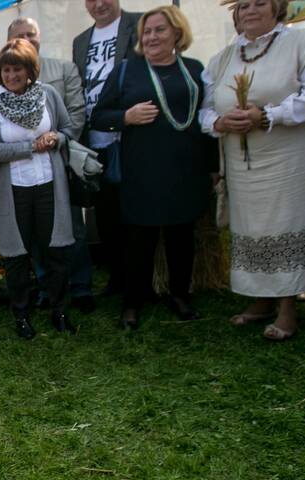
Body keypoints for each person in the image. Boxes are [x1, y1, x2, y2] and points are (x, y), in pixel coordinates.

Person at [201, 0, 305, 340]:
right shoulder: (222, 58)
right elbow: (206, 109)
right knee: (252, 226)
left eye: (260, 3)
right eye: (243, 6)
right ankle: (261, 299)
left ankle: (287, 307)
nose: (250, 11)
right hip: (242, 161)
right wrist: (219, 120)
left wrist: (269, 115)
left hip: (289, 158)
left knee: (285, 222)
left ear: (277, 9)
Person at [92, 6, 215, 329]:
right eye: (146, 31)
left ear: (177, 33)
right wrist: (126, 117)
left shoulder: (194, 69)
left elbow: (206, 121)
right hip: (143, 172)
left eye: (159, 30)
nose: (151, 37)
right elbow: (99, 116)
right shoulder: (126, 70)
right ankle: (132, 303)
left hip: (185, 169)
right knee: (139, 239)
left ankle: (180, 296)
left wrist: (213, 166)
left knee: (181, 235)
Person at [0, 40, 78, 339]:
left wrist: (56, 138)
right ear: (0, 73)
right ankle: (21, 315)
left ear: (30, 70)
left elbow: (69, 129)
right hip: (15, 190)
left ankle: (60, 310)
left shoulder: (47, 95)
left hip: (50, 184)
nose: (11, 76)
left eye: (17, 68)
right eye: (6, 70)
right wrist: (29, 147)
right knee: (16, 257)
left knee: (55, 252)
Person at [6, 18, 95, 314]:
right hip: (21, 174)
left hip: (59, 165)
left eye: (31, 34)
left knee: (72, 228)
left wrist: (56, 141)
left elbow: (76, 114)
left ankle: (81, 287)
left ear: (39, 36)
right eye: (20, 36)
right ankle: (47, 288)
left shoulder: (62, 69)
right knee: (37, 233)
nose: (26, 39)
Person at [74, 0, 143, 295]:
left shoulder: (139, 25)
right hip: (95, 141)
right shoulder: (80, 42)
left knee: (135, 211)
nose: (99, 4)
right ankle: (117, 277)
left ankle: (142, 278)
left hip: (130, 135)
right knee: (106, 215)